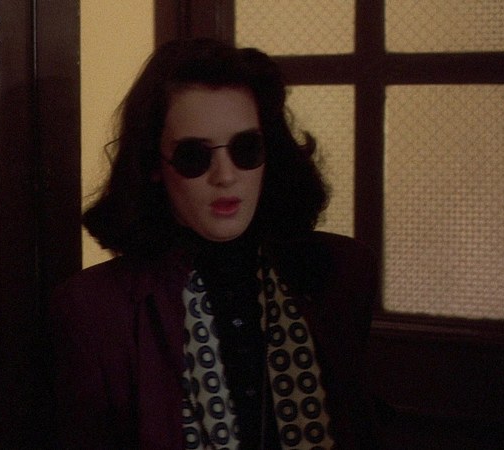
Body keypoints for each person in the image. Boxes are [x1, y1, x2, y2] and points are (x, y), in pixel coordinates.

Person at [50, 38, 381, 449]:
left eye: (246, 149)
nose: (225, 176)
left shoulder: (341, 273)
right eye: (194, 155)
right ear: (154, 164)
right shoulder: (95, 312)